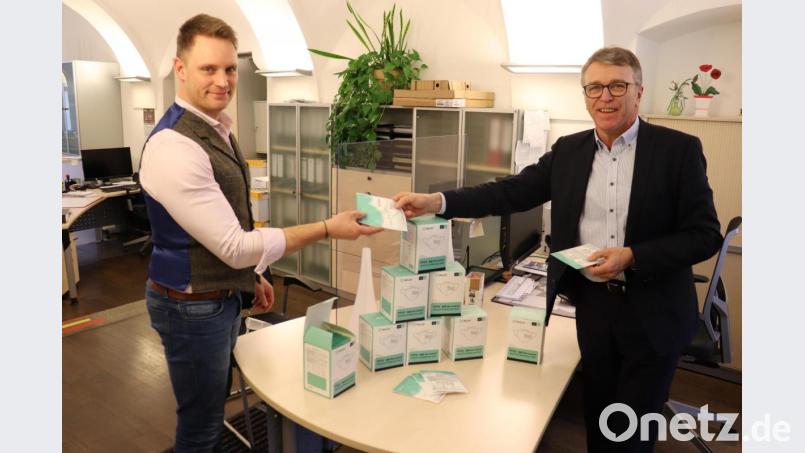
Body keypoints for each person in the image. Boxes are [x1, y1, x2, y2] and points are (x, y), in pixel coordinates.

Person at [394, 46, 721, 452]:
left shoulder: (679, 150)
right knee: (599, 418)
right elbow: (509, 193)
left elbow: (705, 234)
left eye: (618, 85)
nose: (606, 96)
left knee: (634, 430)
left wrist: (632, 255)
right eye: (595, 87)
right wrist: (438, 203)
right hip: (594, 307)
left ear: (639, 91)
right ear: (584, 95)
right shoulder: (569, 150)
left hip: (654, 310)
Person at [139, 14, 381, 452]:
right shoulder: (174, 146)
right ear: (180, 69)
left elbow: (227, 225)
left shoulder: (218, 129)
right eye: (208, 69)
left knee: (208, 414)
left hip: (216, 299)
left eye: (230, 69)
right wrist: (327, 228)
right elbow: (233, 246)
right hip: (189, 307)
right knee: (200, 426)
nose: (223, 80)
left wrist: (251, 278)